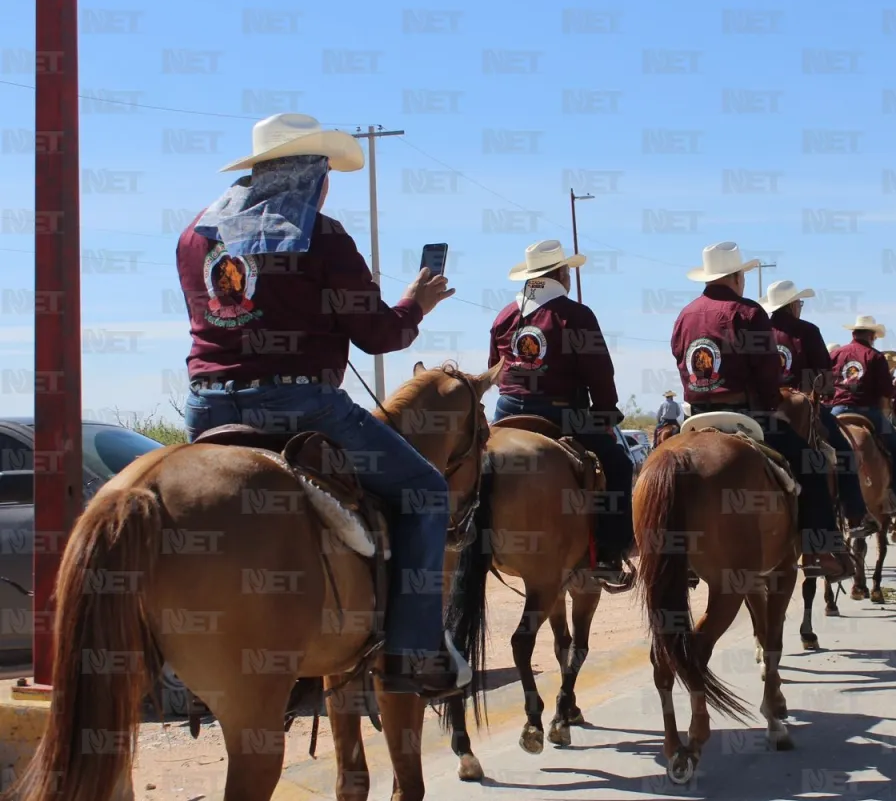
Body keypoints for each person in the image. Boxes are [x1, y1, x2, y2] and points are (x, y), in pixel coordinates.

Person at [177, 113, 469, 698]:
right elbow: (379, 335)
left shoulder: (195, 236)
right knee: (426, 493)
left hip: (206, 410)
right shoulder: (323, 235)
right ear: (311, 176)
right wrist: (415, 303)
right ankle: (410, 653)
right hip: (300, 406)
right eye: (325, 172)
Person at [672, 243, 856, 580]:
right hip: (746, 415)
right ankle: (819, 549)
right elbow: (766, 369)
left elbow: (679, 357)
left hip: (695, 417)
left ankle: (670, 552)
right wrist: (773, 403)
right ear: (737, 277)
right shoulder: (747, 312)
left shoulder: (685, 314)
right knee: (812, 465)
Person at [487, 240, 635, 588]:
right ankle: (611, 554)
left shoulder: (504, 316)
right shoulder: (576, 315)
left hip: (506, 410)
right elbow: (600, 375)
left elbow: (493, 369)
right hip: (560, 414)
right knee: (619, 464)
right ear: (560, 274)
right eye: (567, 270)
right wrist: (606, 414)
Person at [762, 279, 871, 532]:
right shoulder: (807, 331)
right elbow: (823, 379)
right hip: (801, 404)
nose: (800, 307)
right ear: (791, 306)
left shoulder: (759, 330)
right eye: (799, 303)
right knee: (843, 451)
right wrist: (818, 390)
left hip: (764, 408)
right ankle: (854, 514)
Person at [826, 317, 896, 520]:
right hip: (867, 411)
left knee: (818, 446)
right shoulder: (875, 357)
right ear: (871, 336)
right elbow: (885, 391)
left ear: (853, 333)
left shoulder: (835, 354)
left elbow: (825, 384)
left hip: (838, 411)